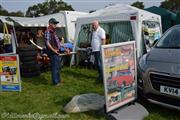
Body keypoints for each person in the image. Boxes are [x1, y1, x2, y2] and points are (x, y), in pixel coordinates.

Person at [45, 18, 62, 86]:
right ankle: (55, 82)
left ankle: (58, 80)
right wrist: (54, 50)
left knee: (58, 66)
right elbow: (47, 43)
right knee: (55, 67)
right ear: (50, 23)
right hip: (52, 52)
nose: (56, 24)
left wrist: (64, 48)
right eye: (54, 23)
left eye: (56, 23)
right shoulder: (48, 31)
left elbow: (58, 42)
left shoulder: (53, 31)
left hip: (56, 51)